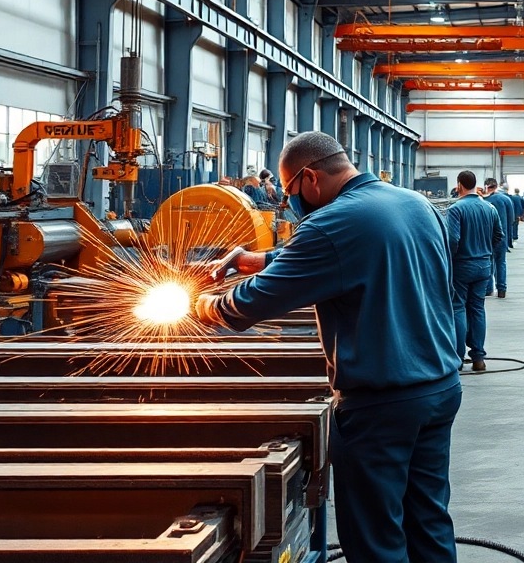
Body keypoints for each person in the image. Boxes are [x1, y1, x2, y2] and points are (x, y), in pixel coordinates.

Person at [192, 132, 462, 563]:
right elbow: (346, 250)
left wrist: (204, 306)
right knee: (428, 520)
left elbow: (249, 305)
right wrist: (252, 258)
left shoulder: (330, 223)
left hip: (381, 406)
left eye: (290, 193)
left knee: (376, 538)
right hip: (440, 389)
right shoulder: (416, 204)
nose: (291, 204)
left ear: (310, 178)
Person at [447, 170, 504, 372]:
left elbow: (452, 240)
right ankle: (478, 358)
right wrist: (487, 253)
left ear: (459, 185)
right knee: (477, 308)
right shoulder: (489, 208)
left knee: (459, 308)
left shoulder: (456, 209)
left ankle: (457, 358)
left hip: (462, 266)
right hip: (483, 267)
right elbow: (499, 235)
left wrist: (450, 258)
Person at [481, 178, 511, 298]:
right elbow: (512, 219)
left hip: (487, 238)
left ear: (486, 186)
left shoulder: (483, 201)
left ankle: (488, 289)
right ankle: (502, 289)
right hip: (502, 237)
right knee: (501, 262)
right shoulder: (506, 199)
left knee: (489, 262)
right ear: (497, 185)